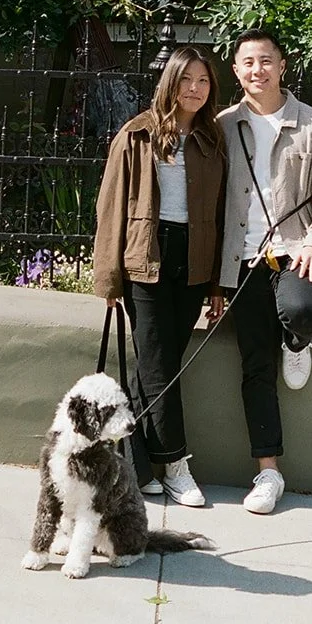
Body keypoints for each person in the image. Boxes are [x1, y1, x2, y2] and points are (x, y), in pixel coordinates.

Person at [209, 28, 312, 514]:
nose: (258, 70)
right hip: (243, 260)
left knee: (303, 309)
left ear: (282, 66)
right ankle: (268, 472)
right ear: (236, 71)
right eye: (248, 62)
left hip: (295, 250)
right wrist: (215, 280)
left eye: (266, 60)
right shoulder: (223, 126)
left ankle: (297, 342)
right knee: (255, 365)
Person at [92, 45, 227, 508]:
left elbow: (220, 214)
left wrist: (216, 284)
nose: (194, 89)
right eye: (186, 79)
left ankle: (135, 465)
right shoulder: (136, 136)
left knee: (159, 364)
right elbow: (110, 208)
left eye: (203, 81)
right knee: (158, 363)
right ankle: (175, 466)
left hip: (194, 260)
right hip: (145, 259)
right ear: (170, 82)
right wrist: (109, 280)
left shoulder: (212, 140)